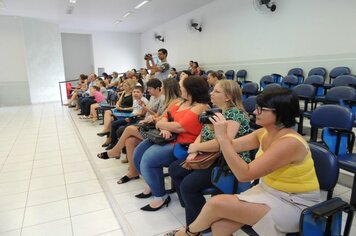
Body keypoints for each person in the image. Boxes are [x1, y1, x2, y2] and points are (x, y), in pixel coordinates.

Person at [166, 87, 321, 236]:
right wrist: (218, 134)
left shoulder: (290, 143)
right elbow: (229, 146)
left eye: (261, 109)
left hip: (294, 203)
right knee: (219, 225)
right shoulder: (264, 132)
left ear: (279, 112)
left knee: (216, 204)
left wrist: (222, 139)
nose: (254, 112)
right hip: (269, 191)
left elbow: (244, 175)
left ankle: (187, 234)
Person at [168, 80, 251, 226]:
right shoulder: (216, 111)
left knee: (188, 186)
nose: (211, 93)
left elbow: (223, 143)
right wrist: (196, 147)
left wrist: (197, 148)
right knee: (175, 169)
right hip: (208, 156)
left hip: (226, 161)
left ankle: (201, 226)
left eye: (216, 91)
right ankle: (194, 210)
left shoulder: (235, 114)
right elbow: (203, 131)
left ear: (228, 97)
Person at [133, 76, 210, 211]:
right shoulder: (180, 102)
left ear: (191, 90)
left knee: (148, 159)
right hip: (166, 136)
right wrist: (163, 127)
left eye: (182, 87)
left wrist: (162, 125)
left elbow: (180, 127)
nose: (180, 89)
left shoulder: (200, 107)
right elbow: (165, 116)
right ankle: (154, 185)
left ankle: (160, 196)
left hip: (183, 144)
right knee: (138, 155)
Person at [97, 78, 181, 184]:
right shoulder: (168, 101)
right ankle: (133, 172)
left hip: (164, 134)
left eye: (163, 86)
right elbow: (160, 117)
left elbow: (161, 118)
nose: (161, 88)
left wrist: (152, 118)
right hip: (157, 127)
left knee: (129, 129)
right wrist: (152, 118)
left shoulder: (173, 102)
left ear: (168, 89)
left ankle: (115, 151)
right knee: (129, 141)